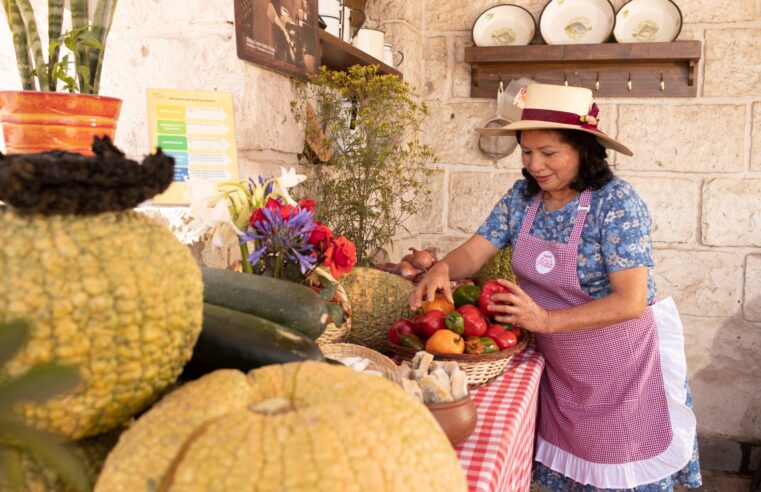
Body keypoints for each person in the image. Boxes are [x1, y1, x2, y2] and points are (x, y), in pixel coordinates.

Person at [410, 83, 702, 491]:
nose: (534, 165)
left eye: (548, 153)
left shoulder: (615, 203)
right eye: (526, 152)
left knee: (619, 474)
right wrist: (442, 268)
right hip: (563, 370)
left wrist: (545, 319)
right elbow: (475, 252)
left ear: (583, 148)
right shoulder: (521, 198)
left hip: (621, 374)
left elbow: (631, 300)